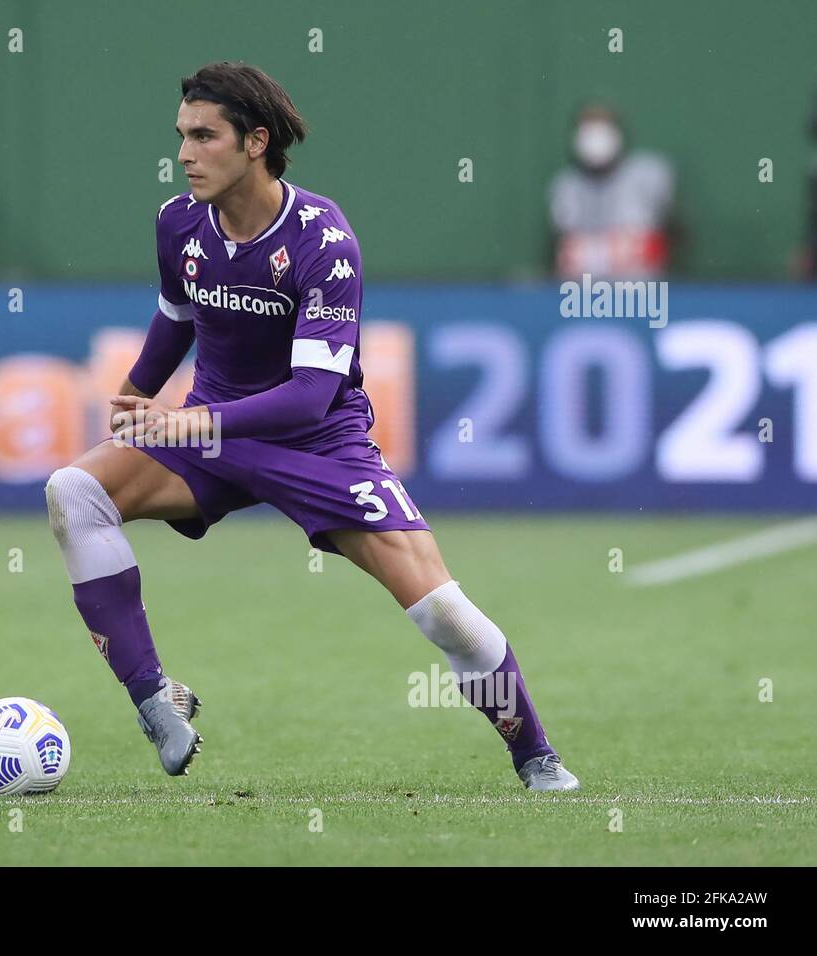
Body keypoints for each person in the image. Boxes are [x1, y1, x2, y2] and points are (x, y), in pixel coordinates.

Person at [44, 62, 579, 791]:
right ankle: (152, 697)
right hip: (211, 437)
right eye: (182, 136)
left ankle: (536, 756)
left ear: (256, 142)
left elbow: (306, 399)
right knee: (73, 492)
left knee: (445, 615)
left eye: (205, 137)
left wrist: (185, 424)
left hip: (317, 444)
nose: (185, 154)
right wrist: (136, 394)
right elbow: (177, 315)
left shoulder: (325, 241)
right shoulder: (178, 223)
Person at [548, 103, 676, 280]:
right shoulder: (566, 185)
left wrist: (597, 252)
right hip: (581, 299)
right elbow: (569, 256)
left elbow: (657, 246)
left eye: (602, 127)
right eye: (589, 129)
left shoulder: (648, 173)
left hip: (642, 295)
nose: (595, 138)